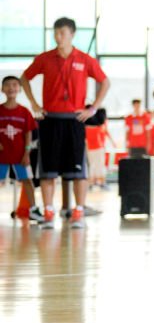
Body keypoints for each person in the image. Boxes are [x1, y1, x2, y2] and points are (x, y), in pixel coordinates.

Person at [21, 17, 110, 229]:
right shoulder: (45, 58)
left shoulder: (85, 59)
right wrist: (34, 103)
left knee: (78, 171)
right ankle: (49, 212)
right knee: (48, 170)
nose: (58, 37)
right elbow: (25, 78)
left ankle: (78, 211)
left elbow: (104, 81)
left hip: (75, 121)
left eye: (62, 33)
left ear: (72, 34)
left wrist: (93, 108)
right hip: (50, 119)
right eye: (56, 33)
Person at [0, 75, 38, 217]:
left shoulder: (24, 112)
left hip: (20, 155)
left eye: (15, 85)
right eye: (8, 85)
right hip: (2, 155)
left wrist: (27, 153)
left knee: (27, 181)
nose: (11, 88)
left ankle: (34, 210)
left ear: (20, 89)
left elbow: (28, 133)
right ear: (2, 89)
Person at [85, 119, 113, 190]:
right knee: (98, 165)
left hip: (94, 147)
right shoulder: (98, 125)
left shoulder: (88, 125)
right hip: (96, 147)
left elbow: (105, 133)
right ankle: (99, 183)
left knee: (94, 165)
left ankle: (94, 183)